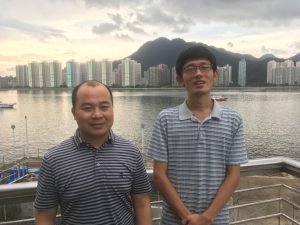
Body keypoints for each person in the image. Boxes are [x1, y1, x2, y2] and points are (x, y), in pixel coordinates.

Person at [147, 46, 248, 225]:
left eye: (204, 67)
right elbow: (159, 175)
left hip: (216, 219)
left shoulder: (234, 119)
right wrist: (187, 217)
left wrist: (207, 217)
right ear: (179, 78)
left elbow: (233, 174)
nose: (198, 74)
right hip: (174, 220)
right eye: (190, 69)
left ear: (215, 74)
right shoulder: (166, 119)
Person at [34, 80, 152, 225]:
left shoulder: (131, 153)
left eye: (104, 107)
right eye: (87, 108)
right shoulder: (54, 160)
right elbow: (44, 217)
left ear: (112, 109)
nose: (97, 115)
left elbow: (142, 204)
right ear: (74, 112)